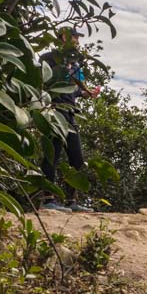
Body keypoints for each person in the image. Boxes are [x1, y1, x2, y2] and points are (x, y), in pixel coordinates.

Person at [39, 27, 97, 213]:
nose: (77, 41)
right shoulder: (48, 58)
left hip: (70, 112)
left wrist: (87, 93)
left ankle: (72, 201)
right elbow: (43, 82)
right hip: (53, 110)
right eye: (75, 37)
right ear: (63, 37)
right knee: (52, 154)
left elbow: (73, 88)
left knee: (77, 158)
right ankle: (48, 199)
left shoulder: (77, 62)